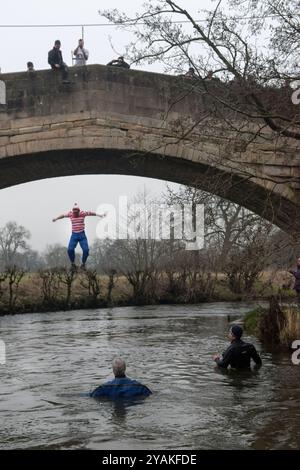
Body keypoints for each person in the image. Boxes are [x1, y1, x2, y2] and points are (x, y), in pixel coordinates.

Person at [52, 203, 106, 270]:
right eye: (74, 213)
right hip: (74, 235)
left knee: (86, 250)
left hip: (82, 235)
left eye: (76, 213)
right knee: (70, 250)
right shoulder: (70, 214)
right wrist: (56, 218)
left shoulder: (83, 213)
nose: (75, 214)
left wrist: (100, 215)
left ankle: (83, 264)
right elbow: (63, 215)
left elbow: (91, 213)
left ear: (79, 211)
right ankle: (73, 264)